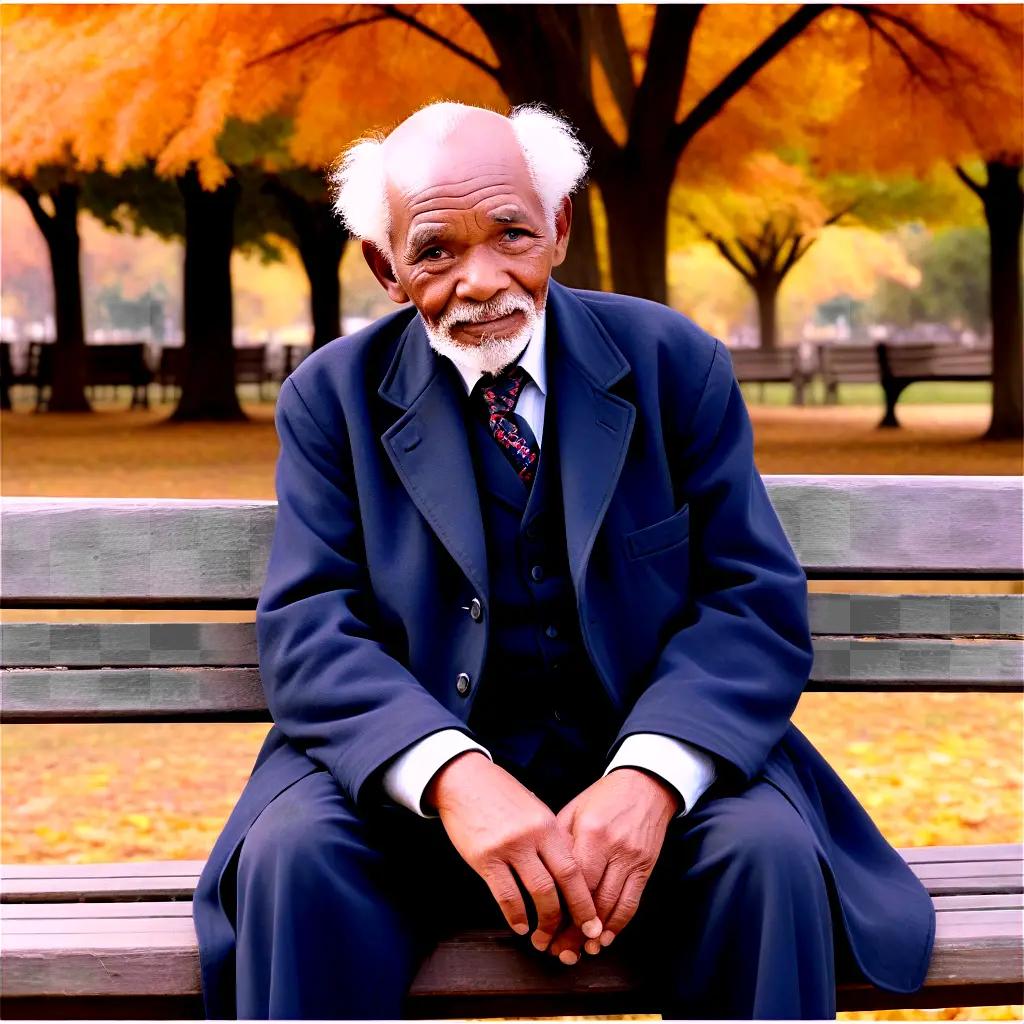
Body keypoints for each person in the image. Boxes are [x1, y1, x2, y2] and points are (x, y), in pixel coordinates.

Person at [192, 101, 935, 1020]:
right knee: (297, 858)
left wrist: (649, 778)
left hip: (647, 787)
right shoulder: (330, 401)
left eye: (511, 233)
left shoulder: (675, 365)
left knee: (765, 855)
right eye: (435, 251)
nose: (482, 279)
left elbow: (750, 601)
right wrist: (454, 779)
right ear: (386, 268)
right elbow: (310, 628)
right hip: (413, 805)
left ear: (560, 227)